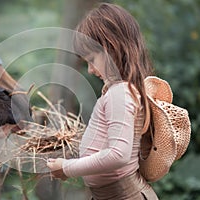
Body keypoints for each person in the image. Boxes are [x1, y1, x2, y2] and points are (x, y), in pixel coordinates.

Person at [47, 3, 159, 200]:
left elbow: (118, 154)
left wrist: (66, 168)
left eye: (92, 59)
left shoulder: (120, 94)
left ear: (112, 48)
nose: (90, 69)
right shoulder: (121, 91)